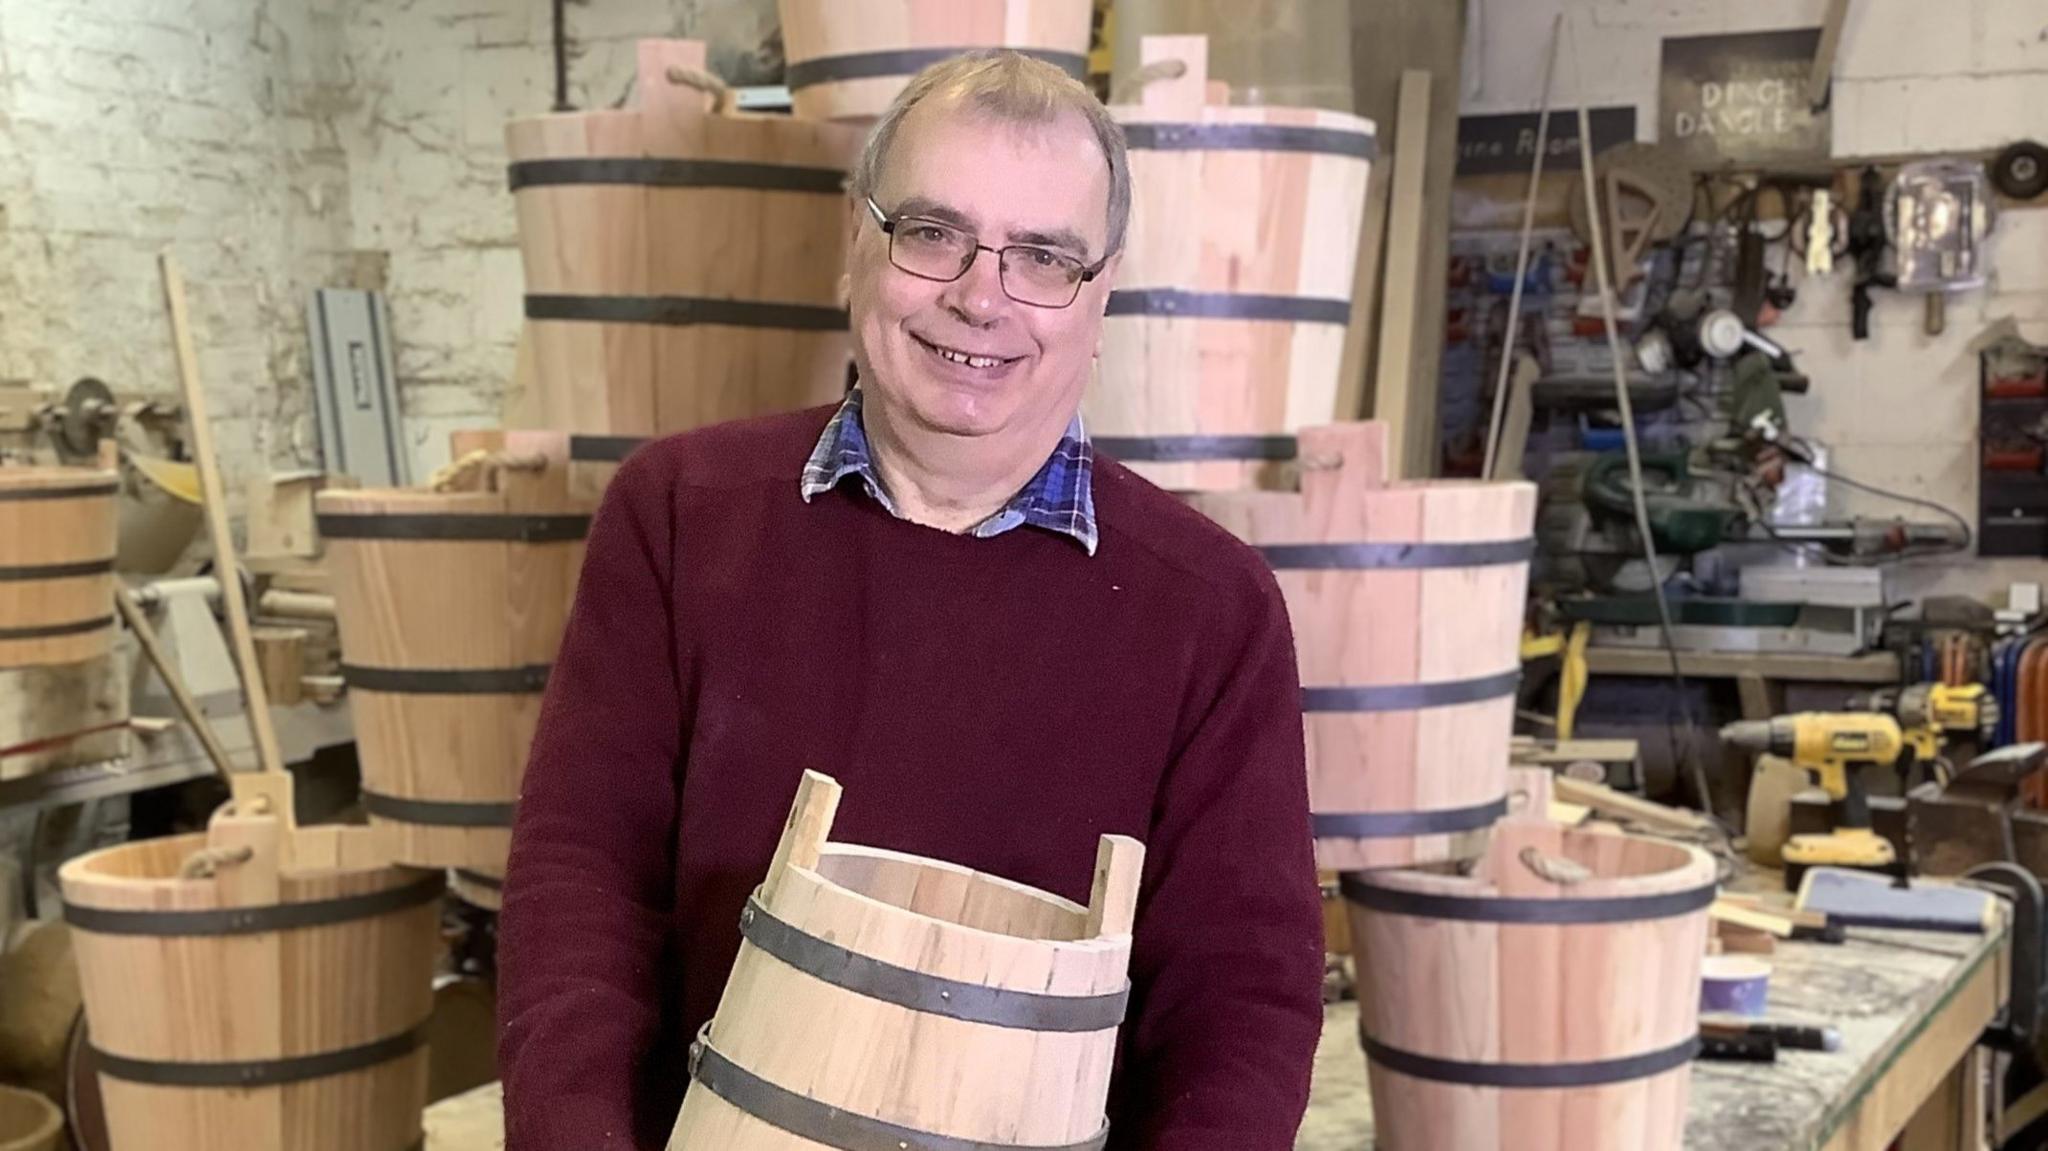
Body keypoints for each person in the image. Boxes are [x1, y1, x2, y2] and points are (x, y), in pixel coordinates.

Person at [496, 49, 1323, 1150]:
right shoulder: (679, 518)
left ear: (1101, 290)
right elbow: (578, 894)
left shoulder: (1210, 609)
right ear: (859, 238)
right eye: (933, 234)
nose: (980, 298)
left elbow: (1240, 1005)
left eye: (1042, 256)